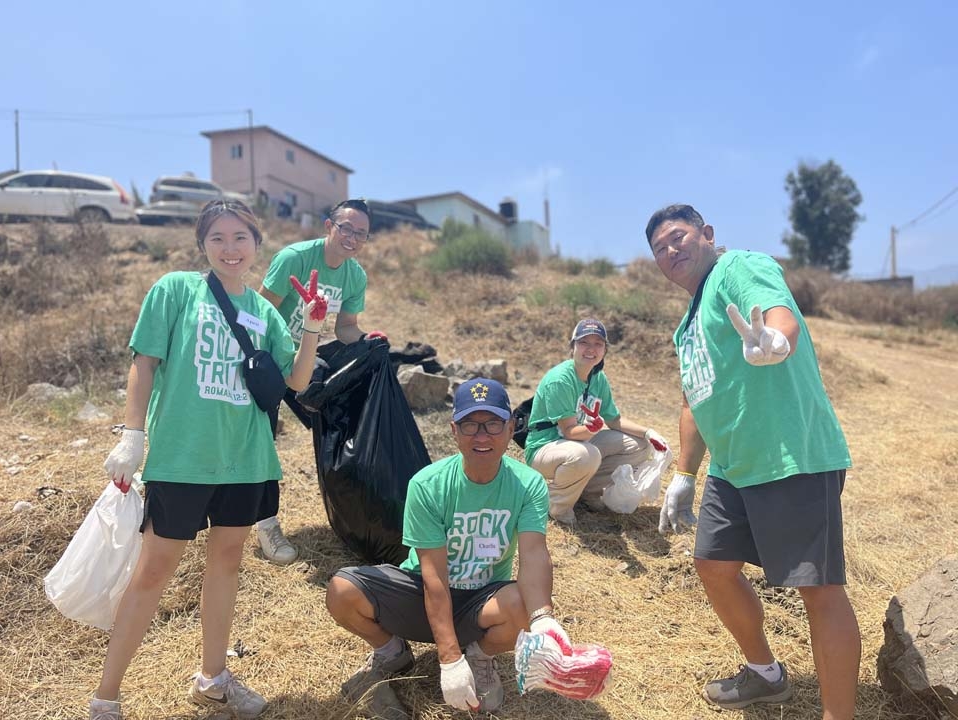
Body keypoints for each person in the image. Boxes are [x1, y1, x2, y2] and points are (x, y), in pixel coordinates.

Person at [89, 199, 324, 720]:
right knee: (153, 572)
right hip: (183, 456)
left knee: (227, 562)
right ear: (203, 244)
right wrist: (132, 435)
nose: (229, 248)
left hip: (245, 458)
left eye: (240, 237)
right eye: (217, 237)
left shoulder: (265, 312)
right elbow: (144, 362)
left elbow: (297, 380)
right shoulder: (176, 289)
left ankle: (213, 679)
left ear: (256, 244)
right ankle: (106, 697)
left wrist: (311, 327)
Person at [646, 204, 860, 720]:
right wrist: (684, 475)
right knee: (713, 566)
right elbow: (693, 401)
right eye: (659, 248)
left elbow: (777, 313)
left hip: (788, 455)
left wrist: (777, 340)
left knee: (818, 589)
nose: (670, 251)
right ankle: (765, 675)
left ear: (707, 234)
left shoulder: (737, 267)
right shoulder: (686, 325)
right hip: (732, 468)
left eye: (678, 237)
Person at [325, 378, 573, 719]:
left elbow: (534, 554)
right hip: (422, 592)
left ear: (511, 428)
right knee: (343, 590)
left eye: (493, 424)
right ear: (454, 430)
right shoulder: (428, 485)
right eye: (470, 424)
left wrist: (543, 618)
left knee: (526, 605)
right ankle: (392, 651)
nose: (482, 436)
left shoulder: (528, 484)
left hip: (481, 599)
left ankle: (480, 655)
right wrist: (448, 658)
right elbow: (434, 577)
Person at [254, 198, 387, 564]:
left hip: (305, 353)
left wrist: (367, 340)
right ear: (329, 227)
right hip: (268, 355)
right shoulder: (294, 259)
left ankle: (352, 511)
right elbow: (260, 312)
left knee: (340, 423)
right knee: (262, 440)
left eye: (361, 233)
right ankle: (266, 524)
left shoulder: (355, 275)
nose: (352, 238)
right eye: (346, 228)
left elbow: (345, 328)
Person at [523, 318, 669, 526]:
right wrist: (592, 429)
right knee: (587, 455)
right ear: (572, 346)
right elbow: (569, 431)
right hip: (545, 447)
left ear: (604, 350)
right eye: (584, 342)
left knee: (639, 446)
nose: (591, 349)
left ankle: (588, 492)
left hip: (578, 443)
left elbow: (614, 419)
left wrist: (648, 433)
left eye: (598, 344)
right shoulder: (561, 380)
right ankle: (557, 506)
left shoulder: (598, 378)